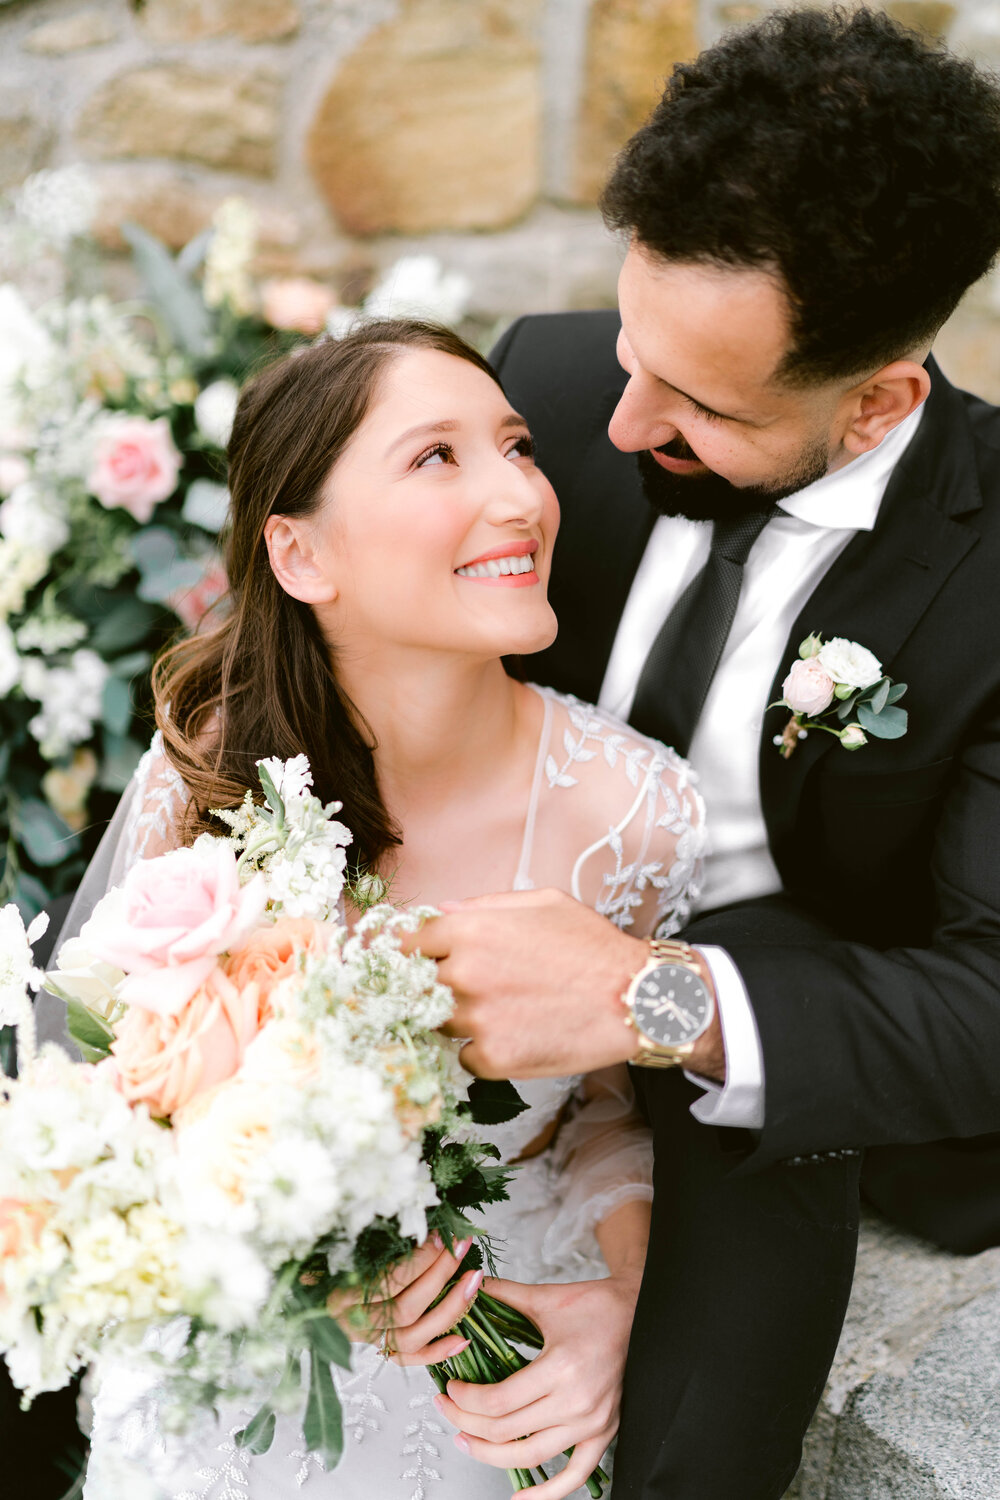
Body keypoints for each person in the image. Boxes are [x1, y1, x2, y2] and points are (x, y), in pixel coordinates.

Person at [403, 9, 1000, 1499]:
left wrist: (646, 1000)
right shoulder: (534, 389)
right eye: (627, 346)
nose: (613, 420)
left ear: (879, 396)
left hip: (764, 1068)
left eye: (701, 404)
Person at [68, 319, 705, 1500]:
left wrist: (619, 1305)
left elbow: (619, 1113)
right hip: (239, 1366)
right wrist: (278, 1243)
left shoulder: (639, 814)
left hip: (486, 1384)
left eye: (514, 447)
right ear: (302, 555)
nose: (518, 493)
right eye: (436, 458)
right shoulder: (208, 772)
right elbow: (110, 1091)